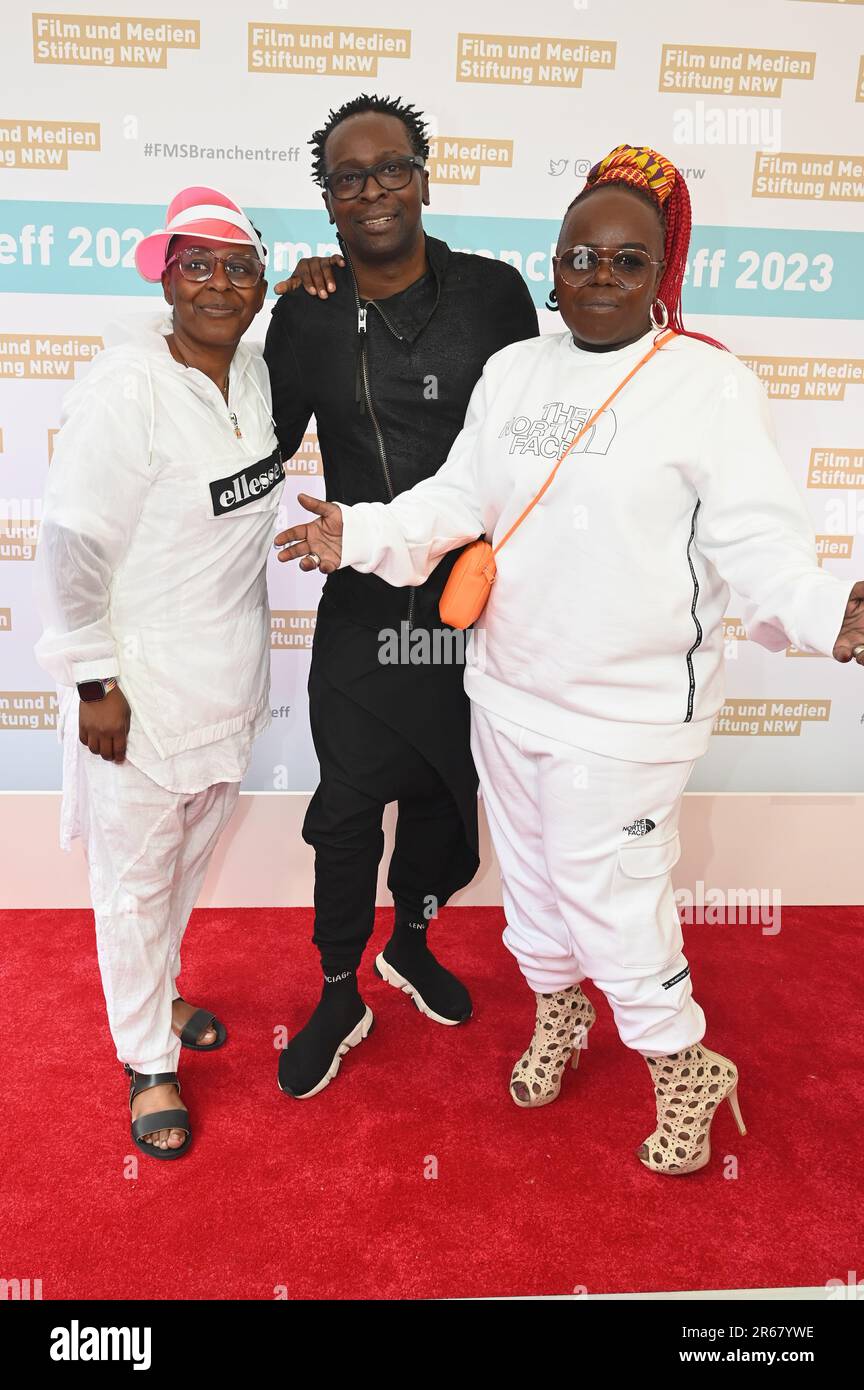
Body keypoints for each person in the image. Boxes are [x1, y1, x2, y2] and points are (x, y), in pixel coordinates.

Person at [273, 144, 864, 1174]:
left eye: (625, 262)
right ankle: (561, 1014)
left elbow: (759, 542)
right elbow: (457, 502)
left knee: (615, 901)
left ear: (661, 272)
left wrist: (823, 609)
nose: (598, 277)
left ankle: (685, 1064)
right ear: (551, 268)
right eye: (579, 258)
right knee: (538, 893)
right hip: (507, 691)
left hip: (626, 718)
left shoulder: (709, 388)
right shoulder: (515, 371)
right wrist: (358, 534)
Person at [263, 93, 538, 1099]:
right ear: (327, 199)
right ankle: (340, 984)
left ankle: (410, 941)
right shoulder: (310, 310)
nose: (372, 190)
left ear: (424, 174)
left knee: (444, 797)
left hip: (475, 596)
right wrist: (271, 302)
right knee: (345, 805)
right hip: (364, 593)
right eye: (349, 176)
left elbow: (530, 437)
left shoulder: (496, 295)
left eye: (391, 168)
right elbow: (262, 434)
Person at [35, 187, 282, 1159]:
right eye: (197, 264)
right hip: (132, 694)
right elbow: (69, 545)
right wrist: (93, 680)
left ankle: (164, 992)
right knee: (132, 885)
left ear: (261, 282)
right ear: (165, 277)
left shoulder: (257, 375)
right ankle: (145, 1061)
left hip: (228, 684)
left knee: (184, 864)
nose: (219, 283)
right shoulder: (124, 386)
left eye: (238, 265)